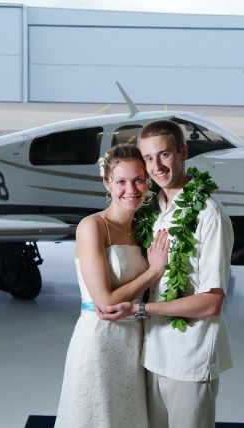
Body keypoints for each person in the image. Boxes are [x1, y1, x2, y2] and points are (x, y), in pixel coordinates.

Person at [100, 120, 234, 428]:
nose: (156, 166)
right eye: (148, 158)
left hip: (191, 357)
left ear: (183, 152)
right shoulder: (153, 207)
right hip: (153, 354)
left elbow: (212, 302)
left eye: (164, 155)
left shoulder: (209, 214)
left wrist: (141, 309)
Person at [54, 143, 170, 428]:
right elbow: (104, 301)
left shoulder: (142, 228)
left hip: (133, 341)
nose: (131, 189)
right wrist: (153, 271)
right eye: (121, 181)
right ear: (107, 182)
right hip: (99, 339)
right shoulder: (92, 227)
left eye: (139, 180)